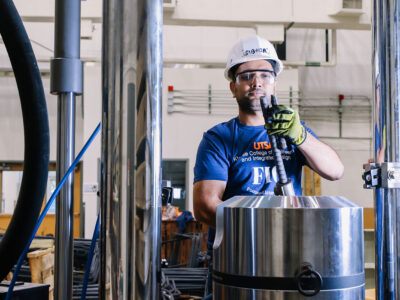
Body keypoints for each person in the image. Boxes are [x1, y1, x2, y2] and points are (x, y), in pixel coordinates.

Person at [192, 35, 344, 298]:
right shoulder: (219, 138)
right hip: (236, 260)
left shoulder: (294, 132)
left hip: (290, 258)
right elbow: (205, 206)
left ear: (275, 83)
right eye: (246, 75)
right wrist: (266, 229)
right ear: (233, 87)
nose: (256, 82)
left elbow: (335, 171)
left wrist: (301, 137)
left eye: (265, 74)